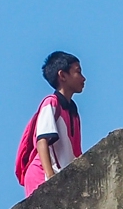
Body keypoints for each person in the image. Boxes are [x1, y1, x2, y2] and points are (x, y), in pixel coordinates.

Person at [16, 51, 84, 195]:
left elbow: (76, 153)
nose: (83, 78)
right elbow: (42, 141)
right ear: (62, 75)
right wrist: (51, 177)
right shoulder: (51, 103)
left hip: (61, 178)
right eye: (78, 72)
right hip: (42, 175)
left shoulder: (73, 111)